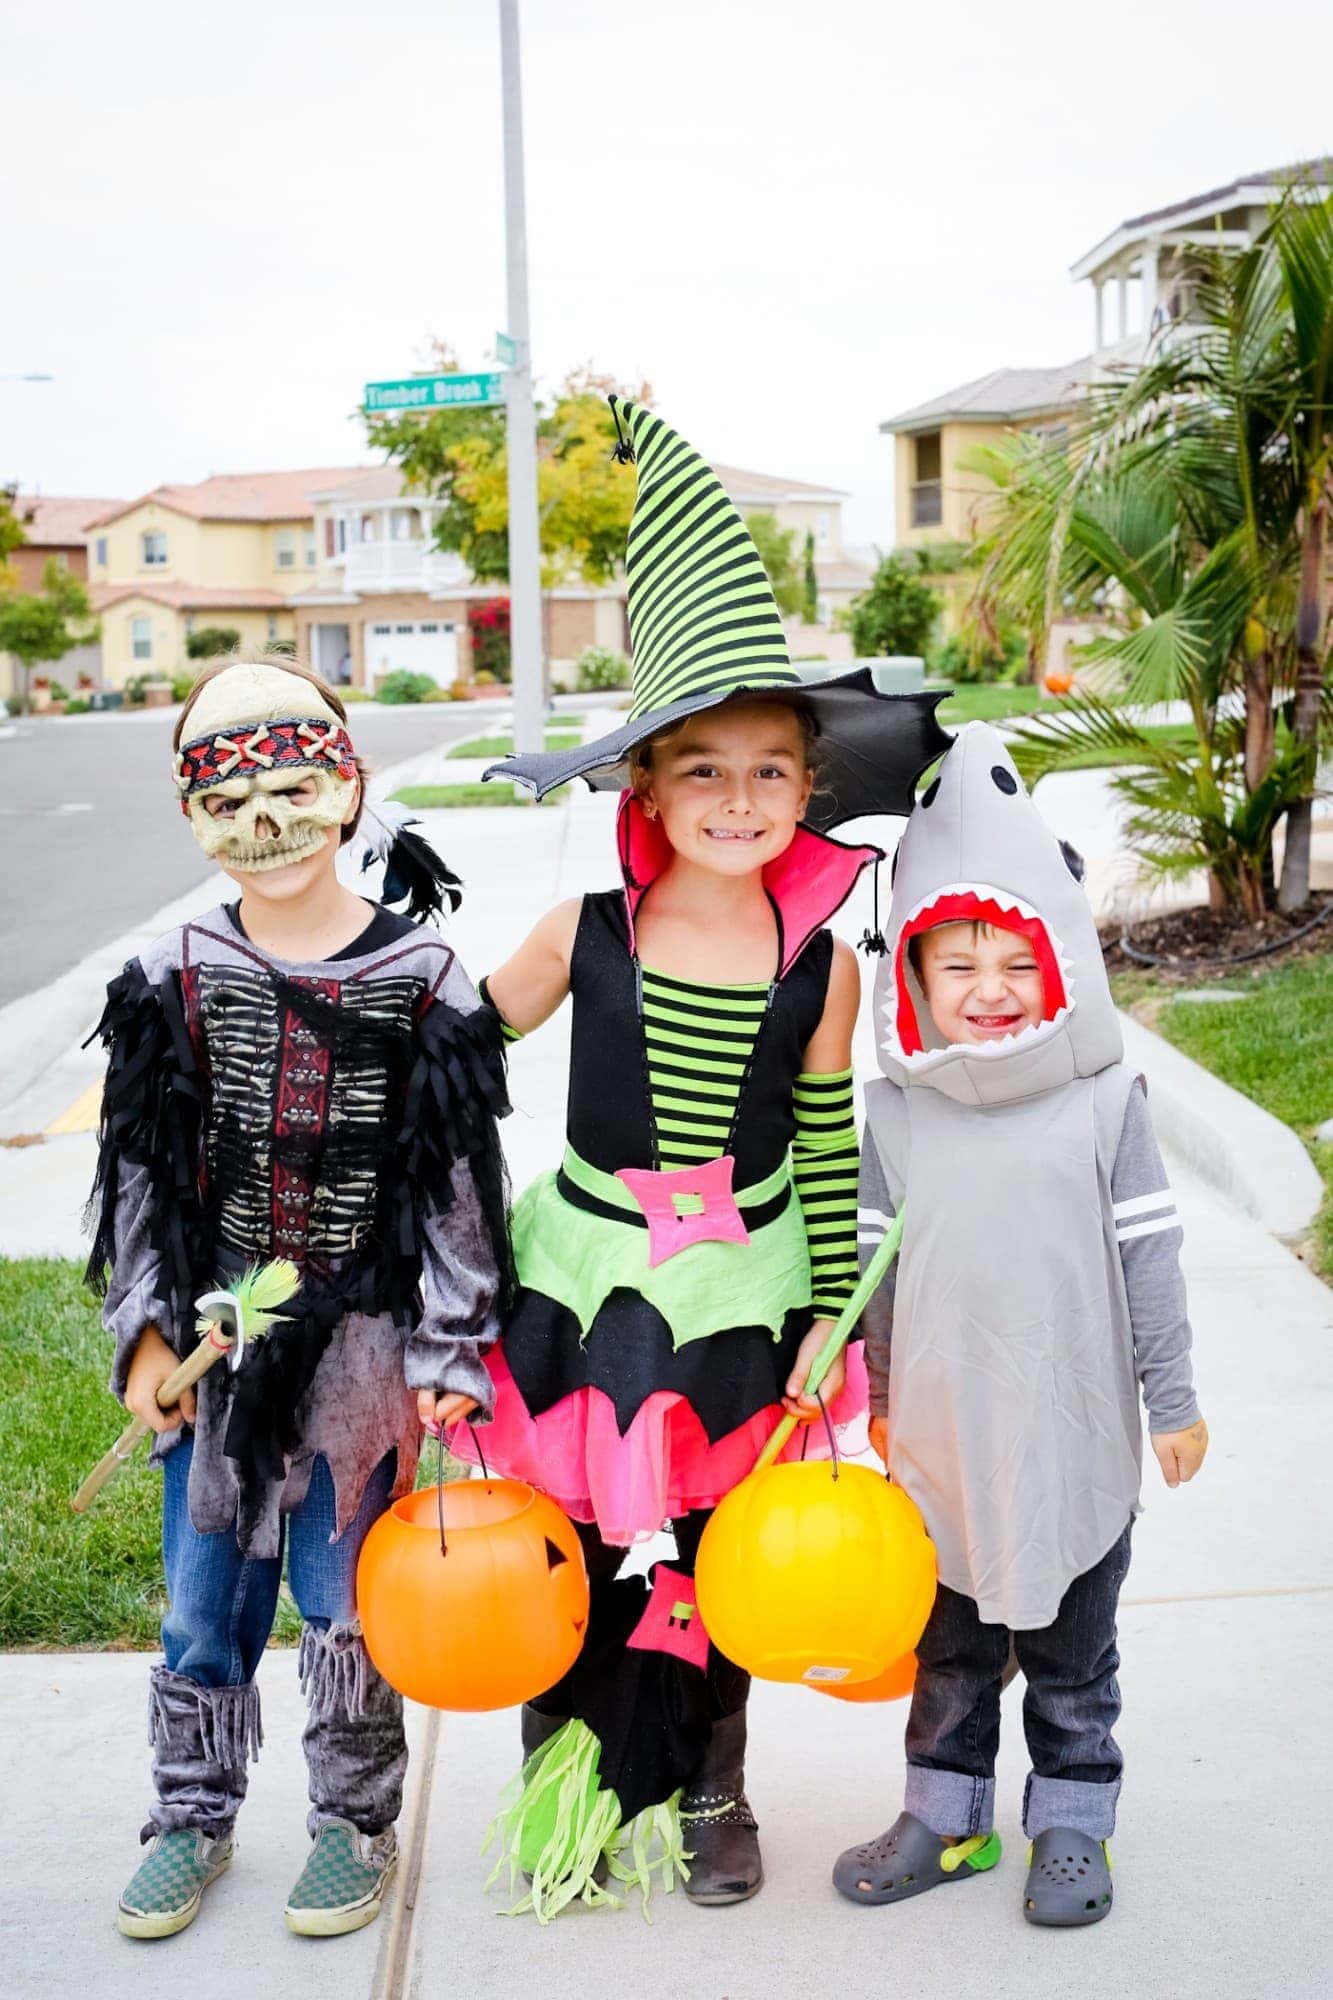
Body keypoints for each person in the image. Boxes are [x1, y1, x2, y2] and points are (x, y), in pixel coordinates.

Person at [449, 395, 948, 1918]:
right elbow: (446, 1066)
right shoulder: (582, 932)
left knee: (723, 1555)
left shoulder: (822, 963)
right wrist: (443, 1227)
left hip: (743, 1289)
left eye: (771, 772)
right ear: (645, 788)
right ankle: (572, 1778)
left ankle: (713, 1788)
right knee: (583, 1547)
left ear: (811, 787)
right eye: (704, 770)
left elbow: (818, 1141)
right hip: (587, 1279)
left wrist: (818, 1319)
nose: (740, 800)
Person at [85, 654, 512, 1941]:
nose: (264, 821)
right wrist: (147, 1331)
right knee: (201, 1594)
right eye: (229, 793)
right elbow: (138, 1174)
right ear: (189, 812)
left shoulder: (426, 975)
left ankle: (351, 1816)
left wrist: (449, 1343)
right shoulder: (172, 970)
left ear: (347, 785)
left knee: (345, 1598)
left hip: (365, 1361)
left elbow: (455, 1187)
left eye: (290, 783)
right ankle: (190, 1812)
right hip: (217, 1362)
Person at [833, 721, 1209, 1928]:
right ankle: (946, 1816)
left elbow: (1149, 1255)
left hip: (1074, 1431)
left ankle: (1071, 1818)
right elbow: (873, 1270)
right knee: (946, 1652)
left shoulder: (1103, 1102)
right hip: (940, 1439)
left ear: (1063, 967)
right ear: (915, 980)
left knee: (1071, 1657)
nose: (989, 990)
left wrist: (1174, 1396)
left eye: (1016, 962)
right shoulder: (893, 1115)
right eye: (960, 966)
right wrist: (879, 1396)